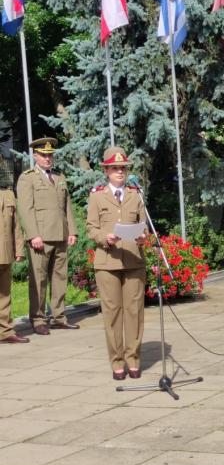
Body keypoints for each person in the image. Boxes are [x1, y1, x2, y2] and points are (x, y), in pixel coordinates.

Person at [86, 147, 147, 380]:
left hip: (133, 260)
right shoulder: (97, 195)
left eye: (123, 168)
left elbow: (143, 224)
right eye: (115, 168)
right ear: (107, 171)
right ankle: (117, 361)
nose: (120, 172)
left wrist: (143, 236)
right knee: (112, 314)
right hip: (107, 261)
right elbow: (91, 228)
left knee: (135, 312)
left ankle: (133, 359)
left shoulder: (136, 194)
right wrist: (105, 237)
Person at [16, 137, 78, 335]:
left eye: (50, 155)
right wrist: (33, 234)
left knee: (60, 278)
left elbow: (66, 205)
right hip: (40, 237)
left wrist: (72, 230)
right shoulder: (28, 178)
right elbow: (26, 209)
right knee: (39, 279)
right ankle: (38, 318)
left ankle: (59, 316)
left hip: (60, 234)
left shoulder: (59, 177)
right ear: (35, 156)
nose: (48, 158)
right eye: (44, 155)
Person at [0, 185, 28, 344]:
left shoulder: (8, 194)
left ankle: (5, 331)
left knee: (4, 295)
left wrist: (19, 250)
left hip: (5, 252)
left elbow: (16, 225)